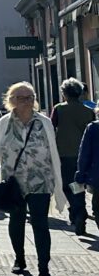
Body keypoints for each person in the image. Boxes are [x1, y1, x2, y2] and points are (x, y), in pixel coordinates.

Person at [0, 82, 65, 276]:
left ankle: (44, 270)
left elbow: (53, 152)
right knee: (17, 220)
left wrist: (58, 182)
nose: (27, 101)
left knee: (40, 223)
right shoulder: (4, 123)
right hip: (14, 183)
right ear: (11, 101)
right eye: (21, 98)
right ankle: (20, 259)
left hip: (41, 181)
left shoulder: (44, 122)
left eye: (30, 97)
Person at [51, 77, 94, 235]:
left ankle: (77, 212)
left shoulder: (59, 109)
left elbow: (51, 128)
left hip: (63, 154)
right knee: (78, 185)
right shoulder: (88, 111)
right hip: (83, 155)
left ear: (65, 93)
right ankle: (78, 212)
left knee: (66, 186)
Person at [73, 104, 99, 230]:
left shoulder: (93, 128)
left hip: (97, 176)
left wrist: (80, 173)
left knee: (97, 207)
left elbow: (85, 153)